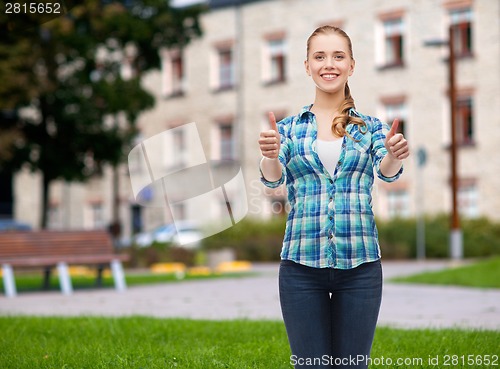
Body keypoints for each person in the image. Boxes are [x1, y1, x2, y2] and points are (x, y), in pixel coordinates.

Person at [258, 25, 409, 368]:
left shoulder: (370, 127)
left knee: (353, 365)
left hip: (360, 267)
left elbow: (385, 170)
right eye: (320, 56)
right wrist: (270, 154)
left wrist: (394, 153)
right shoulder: (288, 129)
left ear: (352, 66)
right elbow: (272, 179)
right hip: (300, 267)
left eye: (338, 56)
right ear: (307, 66)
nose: (329, 64)